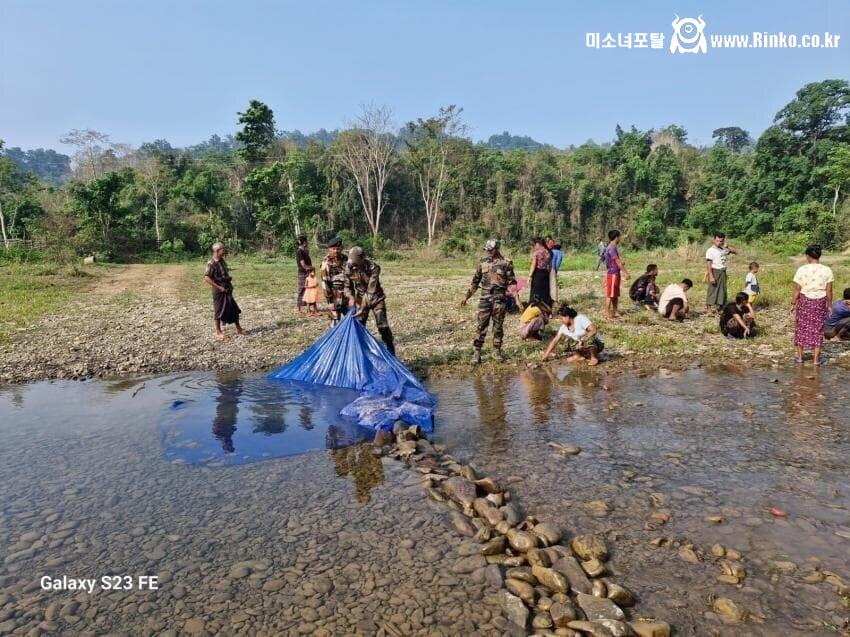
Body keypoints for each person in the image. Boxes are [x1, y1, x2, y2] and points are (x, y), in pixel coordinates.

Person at [462, 239, 517, 364]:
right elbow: (475, 282)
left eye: (490, 250)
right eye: (487, 250)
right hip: (485, 300)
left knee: (498, 327)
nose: (488, 252)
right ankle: (477, 353)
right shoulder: (482, 263)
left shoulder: (506, 263)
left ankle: (496, 351)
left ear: (497, 249)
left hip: (500, 300)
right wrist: (466, 297)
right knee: (481, 326)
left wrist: (517, 300)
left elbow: (512, 283)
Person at [344, 246, 395, 355]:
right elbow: (347, 286)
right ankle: (361, 351)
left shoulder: (373, 268)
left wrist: (362, 308)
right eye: (352, 262)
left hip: (376, 298)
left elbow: (371, 291)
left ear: (363, 258)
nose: (354, 265)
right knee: (359, 325)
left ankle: (391, 349)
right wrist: (351, 297)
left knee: (383, 326)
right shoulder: (349, 267)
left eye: (356, 262)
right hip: (360, 297)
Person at [791, 244, 834, 365]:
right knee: (818, 329)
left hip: (805, 301)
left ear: (808, 256)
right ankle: (816, 360)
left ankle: (799, 357)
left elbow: (797, 289)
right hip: (820, 302)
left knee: (801, 328)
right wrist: (830, 305)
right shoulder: (827, 270)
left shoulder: (802, 269)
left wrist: (793, 303)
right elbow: (829, 290)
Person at [203, 242, 244, 340]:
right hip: (219, 290)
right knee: (219, 310)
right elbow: (206, 278)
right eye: (223, 249)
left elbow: (223, 272)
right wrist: (219, 287)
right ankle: (218, 332)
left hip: (227, 288)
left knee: (233, 308)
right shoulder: (211, 263)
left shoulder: (221, 260)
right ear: (217, 251)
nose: (224, 251)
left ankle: (239, 328)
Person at [705, 232, 736, 315]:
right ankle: (709, 309)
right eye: (717, 240)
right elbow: (708, 264)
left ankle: (720, 308)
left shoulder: (723, 249)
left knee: (722, 290)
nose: (719, 242)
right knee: (712, 290)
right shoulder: (710, 250)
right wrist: (711, 276)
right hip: (715, 271)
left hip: (723, 271)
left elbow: (735, 252)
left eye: (721, 241)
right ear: (714, 240)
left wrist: (727, 246)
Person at [603, 229, 630, 319]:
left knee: (615, 294)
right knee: (610, 294)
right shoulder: (612, 248)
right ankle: (607, 313)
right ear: (616, 237)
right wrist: (626, 272)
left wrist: (620, 265)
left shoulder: (611, 247)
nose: (620, 239)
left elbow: (613, 262)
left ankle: (615, 311)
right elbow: (617, 262)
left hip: (615, 272)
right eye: (619, 237)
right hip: (613, 273)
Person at [320, 237, 348, 325]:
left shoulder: (345, 259)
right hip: (335, 297)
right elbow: (325, 284)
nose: (336, 251)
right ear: (329, 249)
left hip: (347, 295)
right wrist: (330, 302)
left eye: (338, 249)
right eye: (333, 249)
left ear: (341, 248)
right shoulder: (326, 263)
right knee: (335, 321)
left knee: (352, 318)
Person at [528, 237, 553, 307]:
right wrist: (548, 273)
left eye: (534, 245)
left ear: (538, 244)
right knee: (545, 292)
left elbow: (533, 265)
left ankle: (535, 308)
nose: (534, 247)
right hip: (545, 274)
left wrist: (530, 275)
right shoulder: (548, 252)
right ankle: (546, 309)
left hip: (537, 274)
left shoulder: (537, 253)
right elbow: (550, 266)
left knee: (536, 292)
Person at [295, 234, 312, 314]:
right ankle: (298, 308)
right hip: (302, 273)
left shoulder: (304, 251)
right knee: (301, 290)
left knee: (307, 290)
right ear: (304, 242)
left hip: (307, 273)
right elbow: (303, 264)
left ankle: (307, 308)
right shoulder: (299, 252)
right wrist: (310, 268)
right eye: (306, 242)